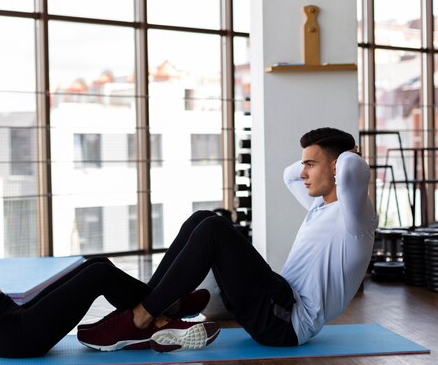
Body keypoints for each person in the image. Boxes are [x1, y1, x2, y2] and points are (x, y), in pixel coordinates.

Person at [81, 127, 377, 348]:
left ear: (338, 167)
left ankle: (139, 319)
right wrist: (321, 158)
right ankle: (158, 309)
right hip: (277, 300)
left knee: (214, 231)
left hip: (287, 323)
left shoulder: (355, 217)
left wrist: (346, 155)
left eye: (310, 165)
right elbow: (289, 175)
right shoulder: (320, 206)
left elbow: (354, 169)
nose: (302, 173)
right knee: (205, 218)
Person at [0, 160, 219, 358]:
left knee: (95, 264)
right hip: (12, 337)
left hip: (14, 317)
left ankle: (167, 307)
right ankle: (160, 317)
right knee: (98, 276)